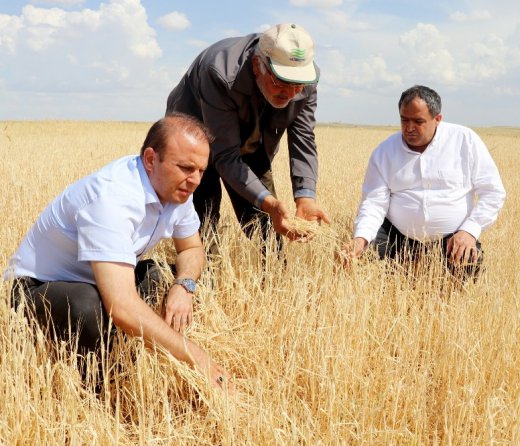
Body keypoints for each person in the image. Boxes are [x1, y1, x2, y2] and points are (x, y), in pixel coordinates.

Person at [4, 113, 232, 392]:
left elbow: (192, 248)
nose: (195, 180)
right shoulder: (111, 199)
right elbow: (121, 305)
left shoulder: (178, 189)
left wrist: (185, 285)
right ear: (151, 159)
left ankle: (129, 352)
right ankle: (93, 390)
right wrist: (197, 357)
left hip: (99, 281)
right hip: (31, 291)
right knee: (87, 306)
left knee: (161, 274)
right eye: (186, 167)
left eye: (201, 170)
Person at [165, 23, 330, 246]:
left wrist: (305, 198)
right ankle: (203, 276)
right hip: (195, 138)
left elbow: (303, 140)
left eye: (297, 86)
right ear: (257, 65)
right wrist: (268, 202)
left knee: (267, 232)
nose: (290, 94)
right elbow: (225, 155)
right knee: (202, 225)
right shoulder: (220, 72)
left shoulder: (306, 80)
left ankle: (271, 277)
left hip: (250, 140)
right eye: (281, 82)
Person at [343, 85, 506, 282]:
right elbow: (374, 203)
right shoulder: (385, 152)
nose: (409, 128)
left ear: (437, 119)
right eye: (404, 120)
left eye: (418, 121)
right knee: (364, 264)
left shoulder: (465, 141)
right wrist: (360, 240)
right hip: (397, 235)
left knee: (468, 264)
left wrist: (469, 231)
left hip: (453, 237)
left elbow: (493, 192)